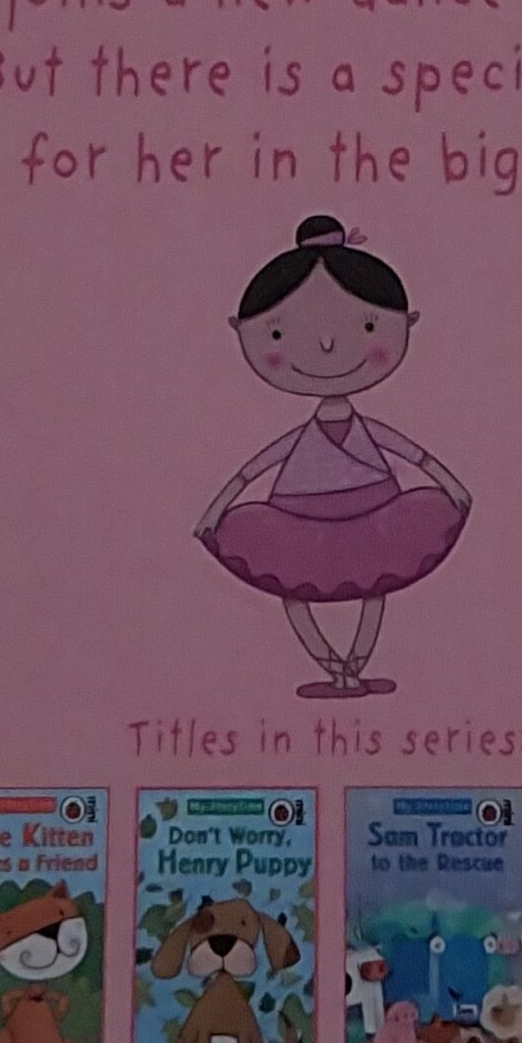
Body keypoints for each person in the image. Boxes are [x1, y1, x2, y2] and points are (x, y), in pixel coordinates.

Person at [196, 217, 472, 696]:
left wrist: (453, 487)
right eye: (277, 335)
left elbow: (416, 456)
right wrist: (215, 512)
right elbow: (250, 471)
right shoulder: (302, 437)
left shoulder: (364, 431)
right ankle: (337, 669)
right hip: (297, 510)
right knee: (291, 586)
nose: (326, 346)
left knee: (376, 582)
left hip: (376, 505)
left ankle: (353, 668)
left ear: (406, 323)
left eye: (368, 325)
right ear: (240, 332)